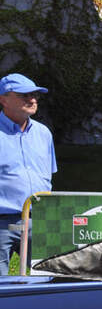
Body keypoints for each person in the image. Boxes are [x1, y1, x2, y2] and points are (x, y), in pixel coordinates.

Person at [0, 73, 57, 275]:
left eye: (34, 95)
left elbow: (48, 175)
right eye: (24, 95)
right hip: (2, 224)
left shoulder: (44, 134)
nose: (32, 100)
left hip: (41, 221)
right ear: (3, 99)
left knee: (46, 283)